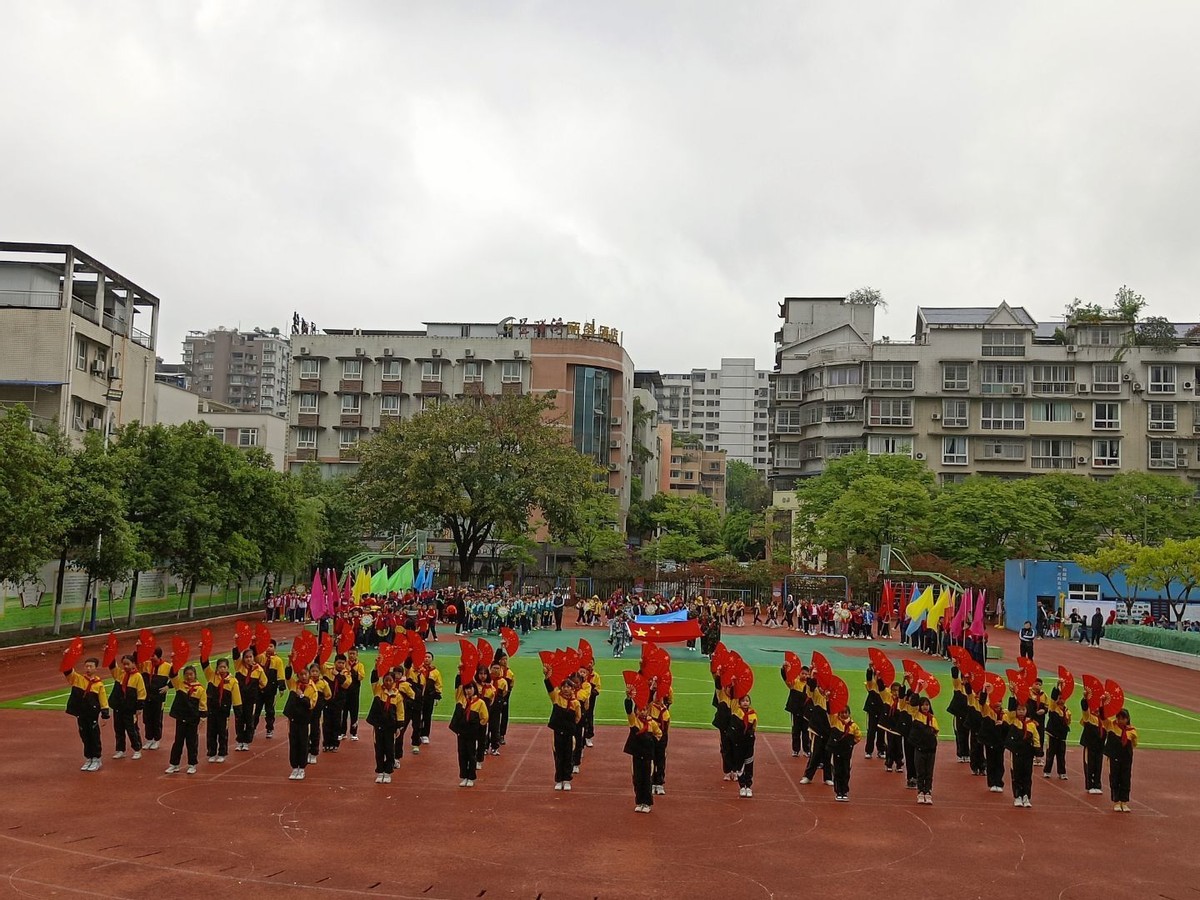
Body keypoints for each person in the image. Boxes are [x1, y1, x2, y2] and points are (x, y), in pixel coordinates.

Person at [64, 657, 110, 772]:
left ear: (96, 668)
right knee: (84, 735)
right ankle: (88, 757)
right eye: (86, 666)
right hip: (81, 713)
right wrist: (67, 657)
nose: (88, 668)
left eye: (91, 666)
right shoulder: (78, 679)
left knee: (94, 736)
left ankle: (96, 758)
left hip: (92, 714)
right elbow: (68, 671)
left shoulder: (99, 684)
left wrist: (105, 715)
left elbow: (103, 700)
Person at [624, 689, 662, 812]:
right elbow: (628, 710)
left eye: (645, 709)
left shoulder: (652, 724)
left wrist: (650, 742)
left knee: (647, 779)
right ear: (636, 711)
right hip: (637, 755)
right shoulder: (634, 721)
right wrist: (628, 699)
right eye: (640, 709)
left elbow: (659, 735)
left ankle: (647, 803)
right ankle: (639, 801)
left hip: (647, 756)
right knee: (637, 778)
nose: (643, 712)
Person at [165, 665, 207, 775]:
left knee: (191, 742)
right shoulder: (180, 685)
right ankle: (174, 764)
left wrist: (202, 718)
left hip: (193, 719)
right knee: (178, 742)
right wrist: (176, 662)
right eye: (186, 674)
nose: (189, 677)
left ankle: (192, 764)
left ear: (195, 675)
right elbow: (173, 675)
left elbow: (203, 705)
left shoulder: (200, 689)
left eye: (191, 674)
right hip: (181, 717)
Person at [545, 666, 581, 790]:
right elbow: (549, 688)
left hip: (569, 733)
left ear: (572, 689)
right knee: (558, 756)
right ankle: (559, 779)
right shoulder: (556, 697)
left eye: (569, 687)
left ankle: (567, 779)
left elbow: (578, 717)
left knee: (568, 755)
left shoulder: (575, 703)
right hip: (557, 733)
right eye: (564, 687)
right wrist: (547, 676)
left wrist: (569, 727)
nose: (566, 689)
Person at [202, 654, 241, 763]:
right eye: (220, 667)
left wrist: (238, 711)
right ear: (217, 668)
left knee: (223, 732)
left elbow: (236, 697)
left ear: (228, 668)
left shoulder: (233, 681)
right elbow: (204, 664)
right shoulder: (211, 676)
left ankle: (222, 753)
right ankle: (212, 752)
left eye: (224, 667)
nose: (222, 669)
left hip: (224, 712)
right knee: (211, 732)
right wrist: (203, 651)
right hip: (212, 710)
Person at [107, 654, 146, 761]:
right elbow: (112, 667)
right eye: (124, 664)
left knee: (132, 729)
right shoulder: (120, 674)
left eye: (128, 664)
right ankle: (120, 750)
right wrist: (109, 653)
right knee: (118, 729)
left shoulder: (137, 676)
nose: (125, 666)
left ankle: (137, 749)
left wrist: (139, 707)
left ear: (133, 664)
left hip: (130, 709)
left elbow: (141, 692)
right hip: (119, 707)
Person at [449, 679, 488, 787]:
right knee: (462, 754)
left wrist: (477, 727)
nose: (468, 691)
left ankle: (471, 777)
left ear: (474, 689)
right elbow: (458, 691)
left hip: (471, 732)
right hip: (461, 732)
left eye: (470, 688)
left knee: (471, 754)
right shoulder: (462, 700)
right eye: (466, 689)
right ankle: (464, 776)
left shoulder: (480, 703)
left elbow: (484, 717)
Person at [283, 661, 318, 780]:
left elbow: (311, 705)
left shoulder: (313, 688)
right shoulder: (294, 684)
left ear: (309, 674)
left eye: (305, 674)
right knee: (293, 744)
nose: (303, 676)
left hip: (304, 721)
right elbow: (287, 676)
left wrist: (301, 696)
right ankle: (294, 768)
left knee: (303, 744)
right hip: (293, 719)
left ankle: (302, 768)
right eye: (301, 674)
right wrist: (290, 663)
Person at [367, 668, 403, 783]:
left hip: (390, 727)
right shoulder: (378, 690)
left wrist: (399, 726)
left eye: (390, 680)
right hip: (378, 726)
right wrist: (377, 667)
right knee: (379, 749)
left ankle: (388, 772)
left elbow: (400, 712)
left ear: (394, 681)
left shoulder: (397, 695)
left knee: (389, 749)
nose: (388, 683)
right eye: (386, 680)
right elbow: (373, 680)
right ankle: (380, 771)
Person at [1005, 699, 1041, 807]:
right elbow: (1010, 711)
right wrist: (1013, 696)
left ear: (1027, 710)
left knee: (1027, 774)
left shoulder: (1031, 724)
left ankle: (1026, 795)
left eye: (1023, 709)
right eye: (1019, 709)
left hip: (1028, 753)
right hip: (1016, 753)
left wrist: (1038, 751)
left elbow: (1036, 738)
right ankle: (1017, 796)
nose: (1021, 711)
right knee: (1016, 774)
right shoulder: (1013, 720)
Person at [1101, 707, 1138, 812]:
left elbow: (1134, 744)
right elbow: (1103, 717)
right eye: (1118, 718)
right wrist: (1103, 704)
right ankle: (1116, 801)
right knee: (1115, 778)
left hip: (1126, 758)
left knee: (1125, 779)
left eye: (1123, 718)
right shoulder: (1111, 726)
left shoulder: (1132, 731)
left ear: (1127, 719)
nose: (1120, 720)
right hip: (1114, 757)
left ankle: (1124, 802)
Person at [233, 648, 267, 752]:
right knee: (239, 720)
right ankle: (239, 741)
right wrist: (237, 643)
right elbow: (235, 655)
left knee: (249, 720)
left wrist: (255, 689)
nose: (248, 659)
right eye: (246, 657)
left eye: (250, 657)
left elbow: (264, 682)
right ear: (243, 659)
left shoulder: (258, 669)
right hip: (239, 699)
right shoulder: (239, 666)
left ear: (253, 658)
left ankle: (246, 741)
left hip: (251, 700)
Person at [909, 694, 939, 804]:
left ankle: (928, 792)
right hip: (920, 749)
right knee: (920, 772)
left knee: (929, 772)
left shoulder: (932, 718)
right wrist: (917, 687)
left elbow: (935, 732)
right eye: (923, 705)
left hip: (930, 750)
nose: (925, 707)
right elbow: (913, 703)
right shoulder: (916, 715)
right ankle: (920, 792)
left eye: (927, 705)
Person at [727, 694, 759, 798]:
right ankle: (742, 786)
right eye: (743, 701)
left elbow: (754, 728)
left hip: (748, 743)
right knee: (740, 765)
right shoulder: (736, 713)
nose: (745, 702)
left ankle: (748, 786)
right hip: (738, 743)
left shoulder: (753, 714)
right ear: (739, 703)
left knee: (749, 764)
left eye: (747, 701)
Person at [255, 640, 288, 740]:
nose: (269, 648)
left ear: (275, 648)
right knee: (256, 710)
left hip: (271, 690)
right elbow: (254, 657)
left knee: (270, 711)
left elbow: (280, 674)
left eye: (271, 646)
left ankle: (269, 728)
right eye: (267, 646)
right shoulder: (261, 657)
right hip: (259, 689)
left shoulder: (277, 660)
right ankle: (252, 727)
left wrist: (281, 687)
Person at [140, 648, 171, 751]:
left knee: (157, 718)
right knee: (147, 718)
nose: (150, 657)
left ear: (158, 656)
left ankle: (156, 739)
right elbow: (137, 660)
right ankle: (149, 739)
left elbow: (175, 678)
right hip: (147, 696)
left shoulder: (167, 666)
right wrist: (139, 648)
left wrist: (168, 687)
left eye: (153, 655)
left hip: (159, 698)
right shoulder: (146, 664)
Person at [828, 706, 862, 801]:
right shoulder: (835, 721)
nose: (843, 714)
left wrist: (851, 744)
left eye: (845, 712)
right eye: (841, 712)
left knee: (846, 771)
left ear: (849, 713)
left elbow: (858, 736)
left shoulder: (853, 725)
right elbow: (830, 712)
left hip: (847, 752)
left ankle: (845, 791)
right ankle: (839, 791)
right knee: (837, 771)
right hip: (837, 751)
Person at [1042, 682, 1072, 780]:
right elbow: (1053, 698)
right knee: (1050, 753)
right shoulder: (1053, 708)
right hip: (1052, 735)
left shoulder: (1067, 711)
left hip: (1062, 736)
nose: (1061, 700)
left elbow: (1068, 722)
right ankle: (1047, 771)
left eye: (1062, 698)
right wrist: (1057, 688)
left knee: (1061, 755)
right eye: (1059, 698)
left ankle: (1062, 772)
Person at [783, 662, 812, 758]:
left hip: (806, 712)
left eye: (806, 674)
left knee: (805, 731)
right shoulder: (794, 682)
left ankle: (807, 750)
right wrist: (784, 670)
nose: (804, 675)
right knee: (796, 730)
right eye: (802, 673)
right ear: (799, 673)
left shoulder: (809, 685)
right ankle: (795, 750)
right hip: (795, 711)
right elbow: (786, 679)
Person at [1079, 690, 1105, 795]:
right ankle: (1090, 784)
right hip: (1089, 744)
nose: (1097, 709)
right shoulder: (1088, 716)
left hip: (1100, 746)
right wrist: (1085, 698)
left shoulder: (1105, 720)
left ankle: (1097, 784)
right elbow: (1084, 707)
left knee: (1098, 764)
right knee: (1089, 763)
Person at [340, 648, 367, 742]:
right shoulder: (344, 663)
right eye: (350, 653)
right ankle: (342, 732)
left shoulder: (360, 665)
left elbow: (360, 677)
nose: (351, 655)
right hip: (344, 691)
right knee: (343, 713)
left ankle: (354, 733)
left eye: (353, 653)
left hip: (355, 692)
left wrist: (351, 671)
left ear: (357, 654)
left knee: (354, 713)